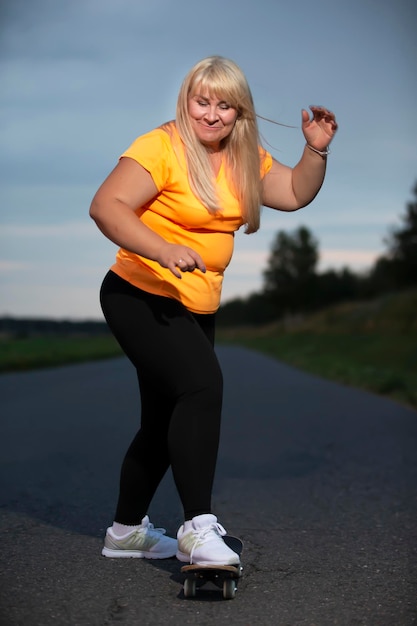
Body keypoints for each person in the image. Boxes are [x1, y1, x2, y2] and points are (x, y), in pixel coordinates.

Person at [89, 55, 338, 566]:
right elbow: (107, 205)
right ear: (186, 101)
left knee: (164, 421)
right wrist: (160, 249)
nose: (212, 114)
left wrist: (315, 150)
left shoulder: (244, 157)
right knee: (203, 386)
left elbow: (293, 193)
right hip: (140, 292)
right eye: (203, 101)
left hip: (195, 302)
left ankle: (125, 532)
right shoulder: (161, 146)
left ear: (239, 112)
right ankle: (197, 529)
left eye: (225, 105)